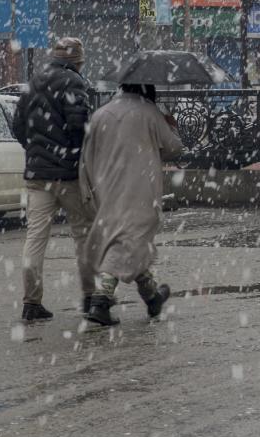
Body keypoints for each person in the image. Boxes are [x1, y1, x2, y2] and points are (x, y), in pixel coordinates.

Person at [79, 84, 184, 326]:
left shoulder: (100, 114)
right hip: (139, 190)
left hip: (106, 189)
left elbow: (87, 156)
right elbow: (174, 148)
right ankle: (101, 300)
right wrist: (170, 125)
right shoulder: (149, 112)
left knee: (128, 240)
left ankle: (152, 297)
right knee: (128, 241)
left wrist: (89, 189)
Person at [12, 37, 94, 321]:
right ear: (77, 60)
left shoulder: (34, 81)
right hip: (68, 175)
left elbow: (18, 126)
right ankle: (91, 298)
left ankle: (31, 302)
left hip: (37, 175)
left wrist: (35, 151)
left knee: (35, 237)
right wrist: (74, 154)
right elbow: (80, 126)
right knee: (83, 234)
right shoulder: (74, 82)